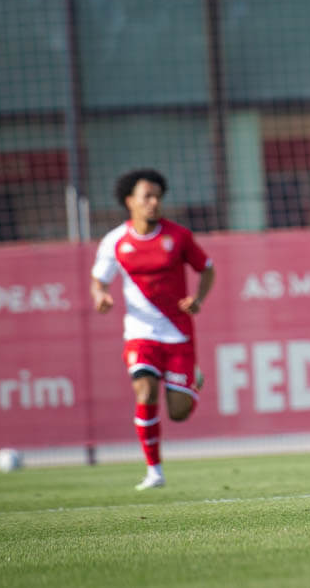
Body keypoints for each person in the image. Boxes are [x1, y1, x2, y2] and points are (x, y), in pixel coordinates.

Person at [90, 169, 215, 489]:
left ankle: (192, 380)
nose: (154, 202)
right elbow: (99, 280)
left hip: (178, 333)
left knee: (179, 412)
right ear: (129, 201)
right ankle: (154, 471)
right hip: (140, 333)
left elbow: (207, 268)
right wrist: (100, 295)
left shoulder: (178, 236)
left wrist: (198, 299)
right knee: (145, 392)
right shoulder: (115, 241)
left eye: (158, 197)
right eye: (147, 196)